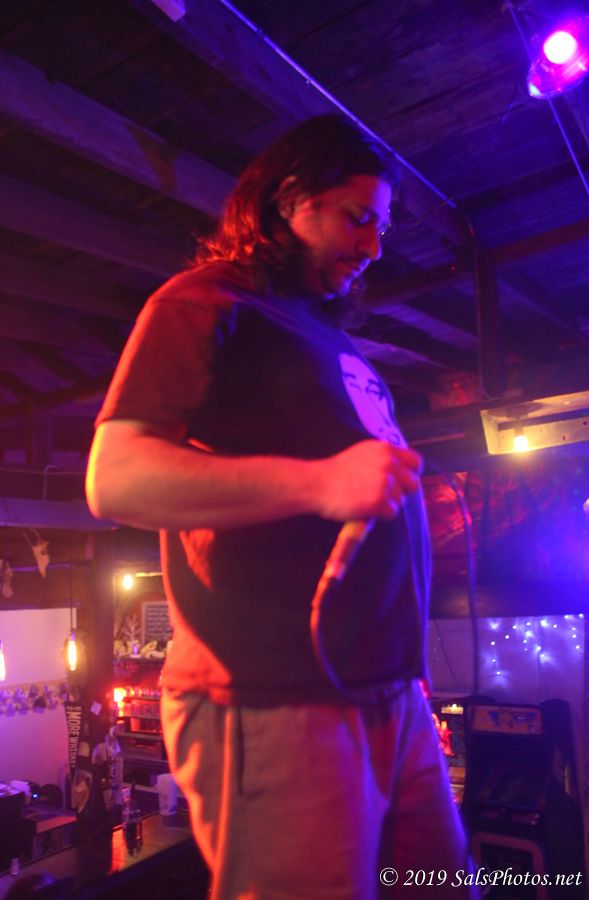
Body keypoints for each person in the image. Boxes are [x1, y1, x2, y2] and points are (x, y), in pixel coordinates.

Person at [86, 115, 477, 899]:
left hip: (390, 694)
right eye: (358, 216)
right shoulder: (205, 299)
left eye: (382, 226)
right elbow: (115, 478)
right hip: (272, 696)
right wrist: (321, 482)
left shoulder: (330, 338)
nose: (374, 246)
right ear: (291, 198)